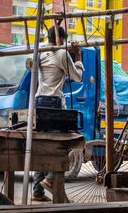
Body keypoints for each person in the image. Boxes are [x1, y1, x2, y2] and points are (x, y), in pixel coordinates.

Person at [31, 26, 84, 202]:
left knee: (40, 145)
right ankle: (50, 178)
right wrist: (78, 57)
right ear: (61, 38)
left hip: (39, 102)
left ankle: (37, 191)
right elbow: (77, 78)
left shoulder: (40, 50)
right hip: (53, 102)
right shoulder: (62, 54)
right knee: (61, 144)